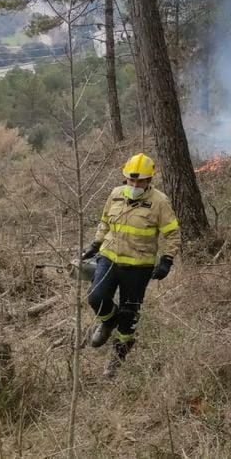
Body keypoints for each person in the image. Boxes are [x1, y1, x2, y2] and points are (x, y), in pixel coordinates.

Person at [80, 153, 179, 377]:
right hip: (109, 258)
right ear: (125, 177)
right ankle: (108, 322)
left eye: (140, 181)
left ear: (149, 180)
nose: (134, 185)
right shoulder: (115, 194)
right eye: (131, 180)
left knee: (129, 313)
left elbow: (172, 234)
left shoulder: (160, 202)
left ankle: (119, 353)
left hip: (138, 267)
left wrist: (167, 260)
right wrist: (95, 244)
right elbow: (105, 221)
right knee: (96, 297)